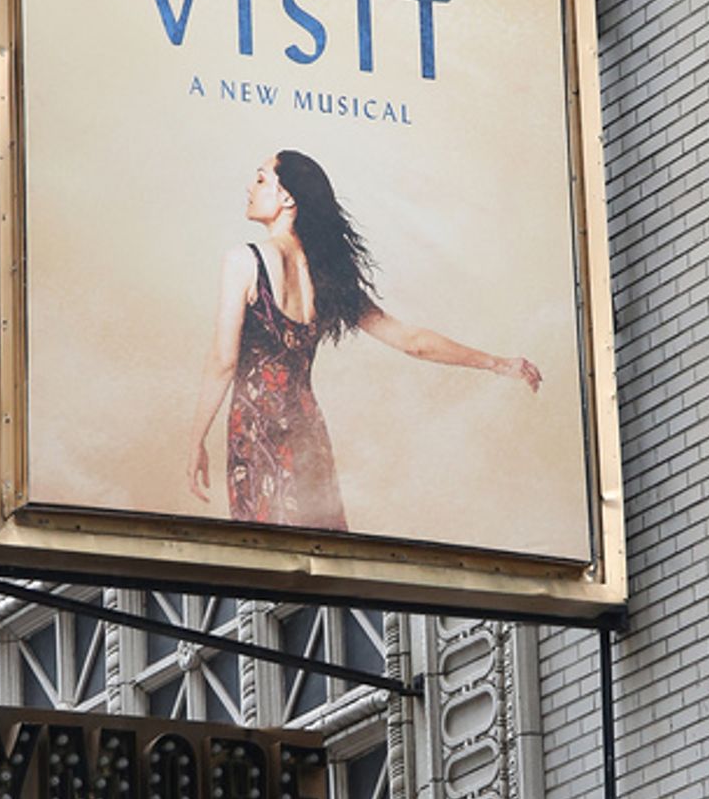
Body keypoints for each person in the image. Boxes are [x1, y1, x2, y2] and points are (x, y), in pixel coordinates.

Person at [187, 152, 542, 530]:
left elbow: (223, 361)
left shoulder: (245, 261)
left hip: (257, 432)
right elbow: (412, 341)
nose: (249, 187)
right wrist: (499, 363)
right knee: (318, 553)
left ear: (288, 197)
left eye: (260, 179)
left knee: (267, 557)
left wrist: (196, 439)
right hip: (308, 431)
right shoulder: (328, 278)